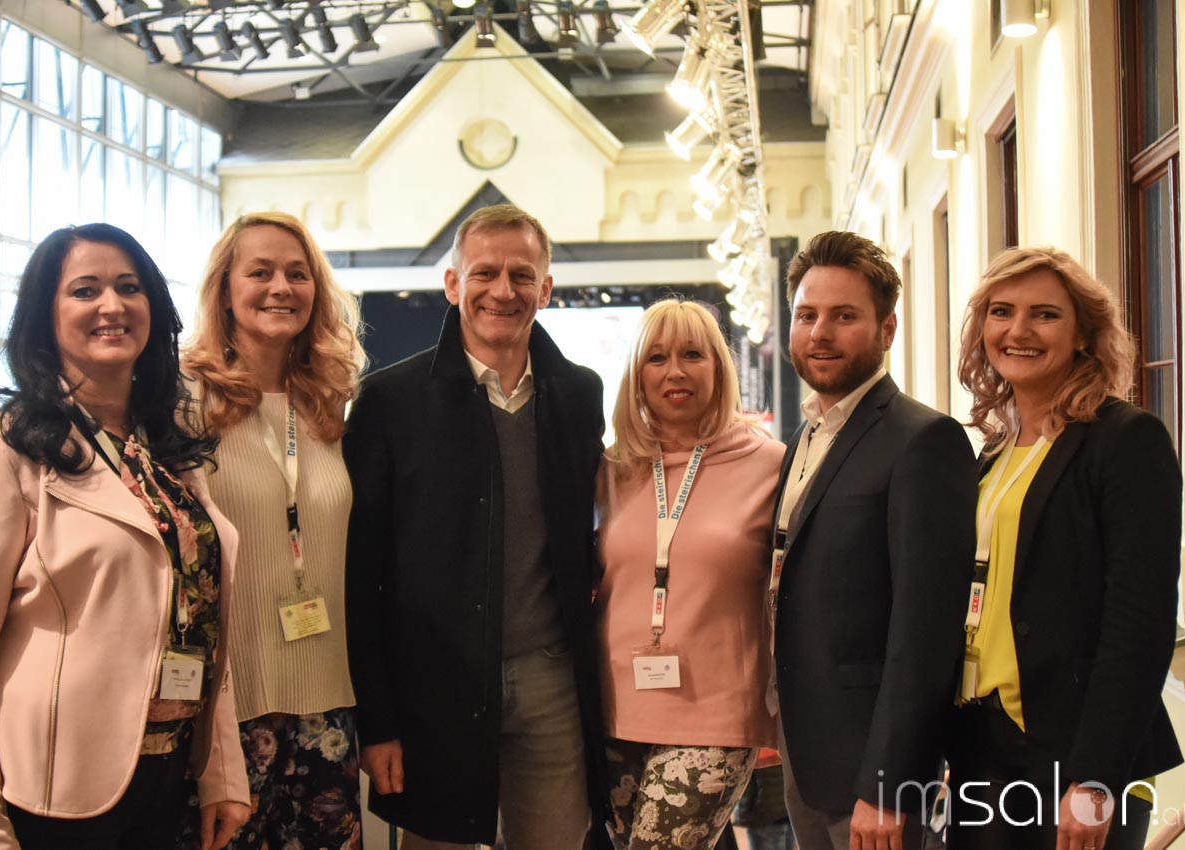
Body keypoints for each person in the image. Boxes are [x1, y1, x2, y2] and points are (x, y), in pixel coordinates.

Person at [0, 224, 250, 850]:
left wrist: (221, 771)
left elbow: (200, 614)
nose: (112, 305)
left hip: (169, 776)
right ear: (44, 317)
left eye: (129, 288)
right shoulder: (0, 449)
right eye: (85, 290)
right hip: (52, 792)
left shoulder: (170, 449)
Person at [344, 204, 609, 850]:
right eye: (484, 273)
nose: (503, 291)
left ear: (546, 288)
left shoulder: (578, 394)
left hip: (549, 679)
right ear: (452, 284)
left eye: (522, 275)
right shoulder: (390, 401)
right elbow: (360, 574)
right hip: (435, 683)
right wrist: (378, 721)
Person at [947, 247, 1182, 850]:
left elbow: (1140, 624)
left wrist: (1096, 777)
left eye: (1045, 314)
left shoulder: (1125, 440)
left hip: (1076, 750)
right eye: (1001, 311)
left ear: (1083, 334)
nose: (1018, 330)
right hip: (983, 742)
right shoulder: (995, 449)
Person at [772, 230, 976, 850]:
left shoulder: (923, 440)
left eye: (844, 316)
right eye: (807, 315)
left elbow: (926, 633)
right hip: (807, 753)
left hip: (872, 773)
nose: (820, 333)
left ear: (887, 329)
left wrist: (890, 784)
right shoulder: (806, 436)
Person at [180, 212, 366, 848]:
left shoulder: (331, 400)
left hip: (327, 704)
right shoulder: (183, 398)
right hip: (223, 706)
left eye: (297, 273)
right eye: (259, 272)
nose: (280, 287)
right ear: (225, 288)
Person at [596, 300, 786, 850]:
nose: (674, 371)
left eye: (692, 355)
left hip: (716, 715)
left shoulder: (770, 465)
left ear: (719, 368)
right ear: (636, 376)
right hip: (615, 710)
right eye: (656, 358)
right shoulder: (611, 469)